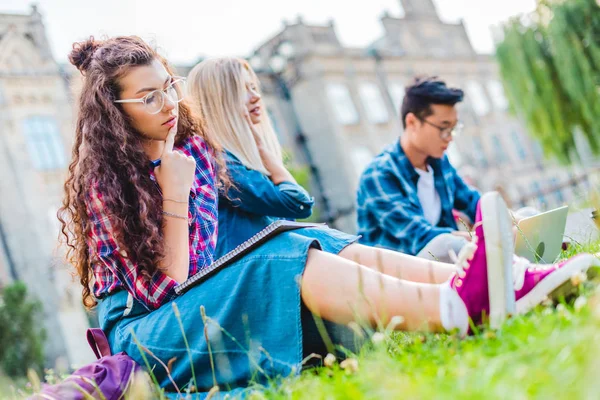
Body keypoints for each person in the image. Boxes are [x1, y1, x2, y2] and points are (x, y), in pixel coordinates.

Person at [59, 42, 596, 396]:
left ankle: (503, 281)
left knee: (304, 236)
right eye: (149, 97)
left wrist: (187, 174)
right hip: (146, 334)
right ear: (115, 111)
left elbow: (290, 210)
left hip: (201, 303)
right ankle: (456, 307)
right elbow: (168, 286)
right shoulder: (105, 184)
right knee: (275, 257)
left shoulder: (192, 153)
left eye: (170, 86)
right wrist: (172, 194)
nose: (169, 103)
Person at [357, 77, 483, 262]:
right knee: (448, 245)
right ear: (412, 122)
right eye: (443, 128)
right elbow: (420, 236)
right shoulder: (378, 175)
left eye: (453, 129)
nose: (449, 138)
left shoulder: (438, 162)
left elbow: (474, 203)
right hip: (400, 277)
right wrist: (479, 239)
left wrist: (506, 220)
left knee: (522, 219)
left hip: (442, 268)